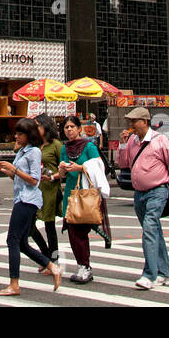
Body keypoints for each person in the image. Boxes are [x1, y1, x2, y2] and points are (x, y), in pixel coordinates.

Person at [119, 107, 169, 290]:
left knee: (149, 229)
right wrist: (123, 144)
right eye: (130, 121)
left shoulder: (160, 140)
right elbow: (123, 164)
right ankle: (165, 272)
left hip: (158, 191)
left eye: (134, 121)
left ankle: (150, 274)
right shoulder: (133, 141)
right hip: (139, 193)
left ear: (145, 122)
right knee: (154, 230)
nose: (131, 125)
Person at [0, 118, 61, 295]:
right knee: (21, 243)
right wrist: (8, 171)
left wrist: (14, 170)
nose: (16, 136)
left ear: (28, 135)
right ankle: (52, 266)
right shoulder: (22, 151)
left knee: (12, 240)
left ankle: (14, 284)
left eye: (20, 133)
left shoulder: (34, 153)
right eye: (16, 133)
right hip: (22, 198)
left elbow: (34, 180)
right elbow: (19, 179)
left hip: (28, 200)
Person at [58, 113, 114, 285]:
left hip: (85, 193)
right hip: (70, 193)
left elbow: (99, 166)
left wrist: (81, 167)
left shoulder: (88, 146)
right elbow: (62, 176)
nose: (69, 130)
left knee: (81, 231)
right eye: (66, 127)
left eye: (72, 127)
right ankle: (82, 265)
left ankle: (85, 266)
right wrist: (62, 169)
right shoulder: (64, 149)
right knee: (73, 232)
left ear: (79, 129)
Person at [30, 113, 62, 266]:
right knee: (30, 225)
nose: (35, 129)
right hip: (35, 189)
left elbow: (64, 168)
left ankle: (54, 260)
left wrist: (53, 177)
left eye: (38, 125)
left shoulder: (55, 145)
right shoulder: (35, 145)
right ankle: (46, 255)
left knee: (50, 227)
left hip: (50, 189)